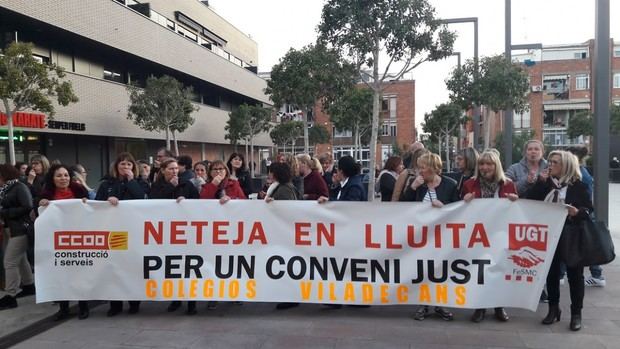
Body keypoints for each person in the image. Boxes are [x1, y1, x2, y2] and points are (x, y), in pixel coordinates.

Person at [526, 150, 592, 331]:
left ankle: (576, 313)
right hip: (548, 234)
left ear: (566, 166)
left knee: (574, 276)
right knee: (551, 273)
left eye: (555, 162)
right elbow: (530, 200)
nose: (551, 165)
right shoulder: (546, 183)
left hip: (571, 235)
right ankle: (553, 309)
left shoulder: (578, 186)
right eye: (550, 162)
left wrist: (576, 212)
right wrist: (539, 183)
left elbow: (588, 211)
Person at [461, 150, 518, 323]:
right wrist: (465, 200)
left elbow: (517, 211)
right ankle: (480, 306)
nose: (485, 167)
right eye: (482, 164)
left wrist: (515, 200)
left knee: (499, 268)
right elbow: (458, 208)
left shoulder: (507, 184)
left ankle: (499, 306)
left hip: (500, 234)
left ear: (496, 166)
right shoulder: (470, 184)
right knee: (480, 269)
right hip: (477, 234)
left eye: (489, 164)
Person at [400, 153, 458, 321]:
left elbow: (458, 209)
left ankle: (440, 304)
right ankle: (423, 304)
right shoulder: (418, 184)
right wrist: (413, 188)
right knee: (423, 270)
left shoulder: (450, 184)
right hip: (421, 236)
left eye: (423, 167)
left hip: (442, 236)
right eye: (419, 167)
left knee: (440, 270)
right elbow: (403, 206)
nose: (420, 171)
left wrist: (444, 207)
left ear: (434, 168)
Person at [95, 152, 146, 316]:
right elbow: (97, 204)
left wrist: (131, 181)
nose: (126, 167)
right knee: (114, 267)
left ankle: (134, 302)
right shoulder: (106, 184)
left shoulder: (140, 183)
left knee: (132, 267)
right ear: (116, 166)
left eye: (129, 164)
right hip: (114, 231)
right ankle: (115, 304)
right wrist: (108, 200)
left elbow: (142, 198)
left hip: (134, 231)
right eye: (122, 164)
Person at [38, 164, 90, 320]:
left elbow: (93, 208)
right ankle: (63, 308)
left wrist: (87, 203)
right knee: (60, 273)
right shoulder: (46, 194)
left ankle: (83, 307)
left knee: (80, 272)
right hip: (58, 241)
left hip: (79, 238)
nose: (63, 178)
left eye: (66, 175)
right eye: (59, 175)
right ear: (52, 178)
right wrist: (41, 204)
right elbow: (39, 215)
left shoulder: (80, 191)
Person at [150, 158, 199, 315]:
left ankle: (192, 303)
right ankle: (176, 299)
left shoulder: (187, 184)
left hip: (186, 231)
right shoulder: (157, 186)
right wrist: (170, 187)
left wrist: (186, 202)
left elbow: (199, 203)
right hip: (166, 232)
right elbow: (153, 202)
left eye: (176, 169)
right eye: (171, 169)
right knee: (173, 268)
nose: (174, 171)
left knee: (189, 268)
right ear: (163, 170)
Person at [566, 146, 604, 288]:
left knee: (587, 243)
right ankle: (596, 274)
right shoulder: (584, 171)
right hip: (585, 212)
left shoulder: (580, 174)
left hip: (582, 213)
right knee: (588, 242)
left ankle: (597, 274)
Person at [0, 165, 35, 310]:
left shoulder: (19, 187)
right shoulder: (5, 189)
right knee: (20, 259)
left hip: (21, 229)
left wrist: (5, 212)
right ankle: (28, 285)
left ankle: (10, 295)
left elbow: (27, 206)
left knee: (9, 262)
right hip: (11, 229)